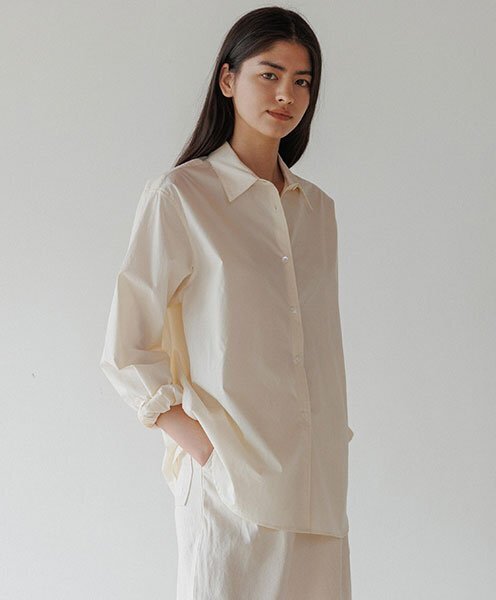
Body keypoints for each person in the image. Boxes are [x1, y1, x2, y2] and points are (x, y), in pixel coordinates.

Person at [100, 6, 354, 599]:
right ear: (228, 79)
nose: (287, 94)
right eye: (270, 74)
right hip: (229, 487)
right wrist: (201, 446)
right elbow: (126, 348)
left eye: (302, 81)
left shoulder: (317, 210)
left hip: (317, 486)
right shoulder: (181, 197)